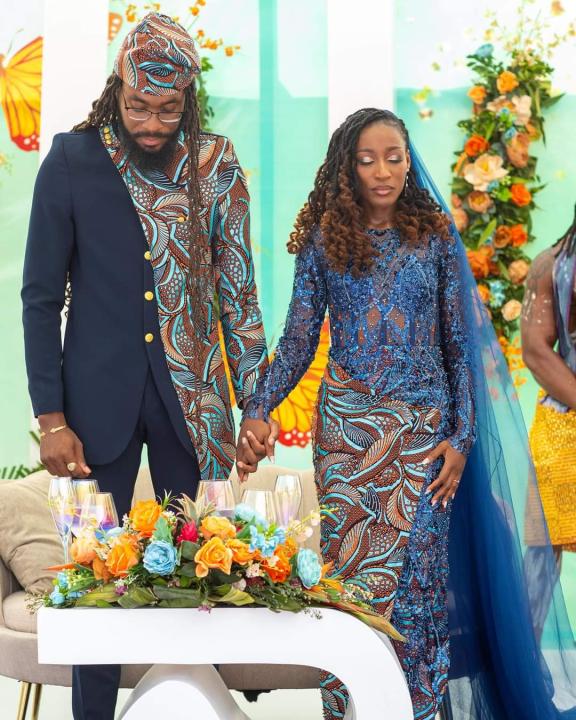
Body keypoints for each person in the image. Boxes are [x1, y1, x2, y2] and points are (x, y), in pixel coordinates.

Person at [238, 109, 576, 720]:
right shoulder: (324, 241)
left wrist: (463, 439)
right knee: (347, 595)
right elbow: (296, 339)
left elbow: (459, 351)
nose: (383, 171)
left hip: (424, 443)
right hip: (346, 443)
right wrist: (258, 409)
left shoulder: (435, 237)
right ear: (347, 166)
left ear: (408, 156)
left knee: (420, 598)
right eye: (367, 159)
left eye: (394, 155)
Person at [21, 13, 272, 720]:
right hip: (90, 412)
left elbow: (240, 295)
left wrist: (256, 405)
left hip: (196, 408)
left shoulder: (216, 164)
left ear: (187, 98)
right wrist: (51, 419)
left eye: (167, 109)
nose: (153, 121)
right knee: (93, 582)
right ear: (117, 90)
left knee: (207, 574)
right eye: (138, 106)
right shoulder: (72, 160)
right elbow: (41, 299)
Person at [521, 208, 576, 635]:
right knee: (540, 555)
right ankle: (518, 678)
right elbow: (536, 349)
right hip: (563, 424)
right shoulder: (552, 263)